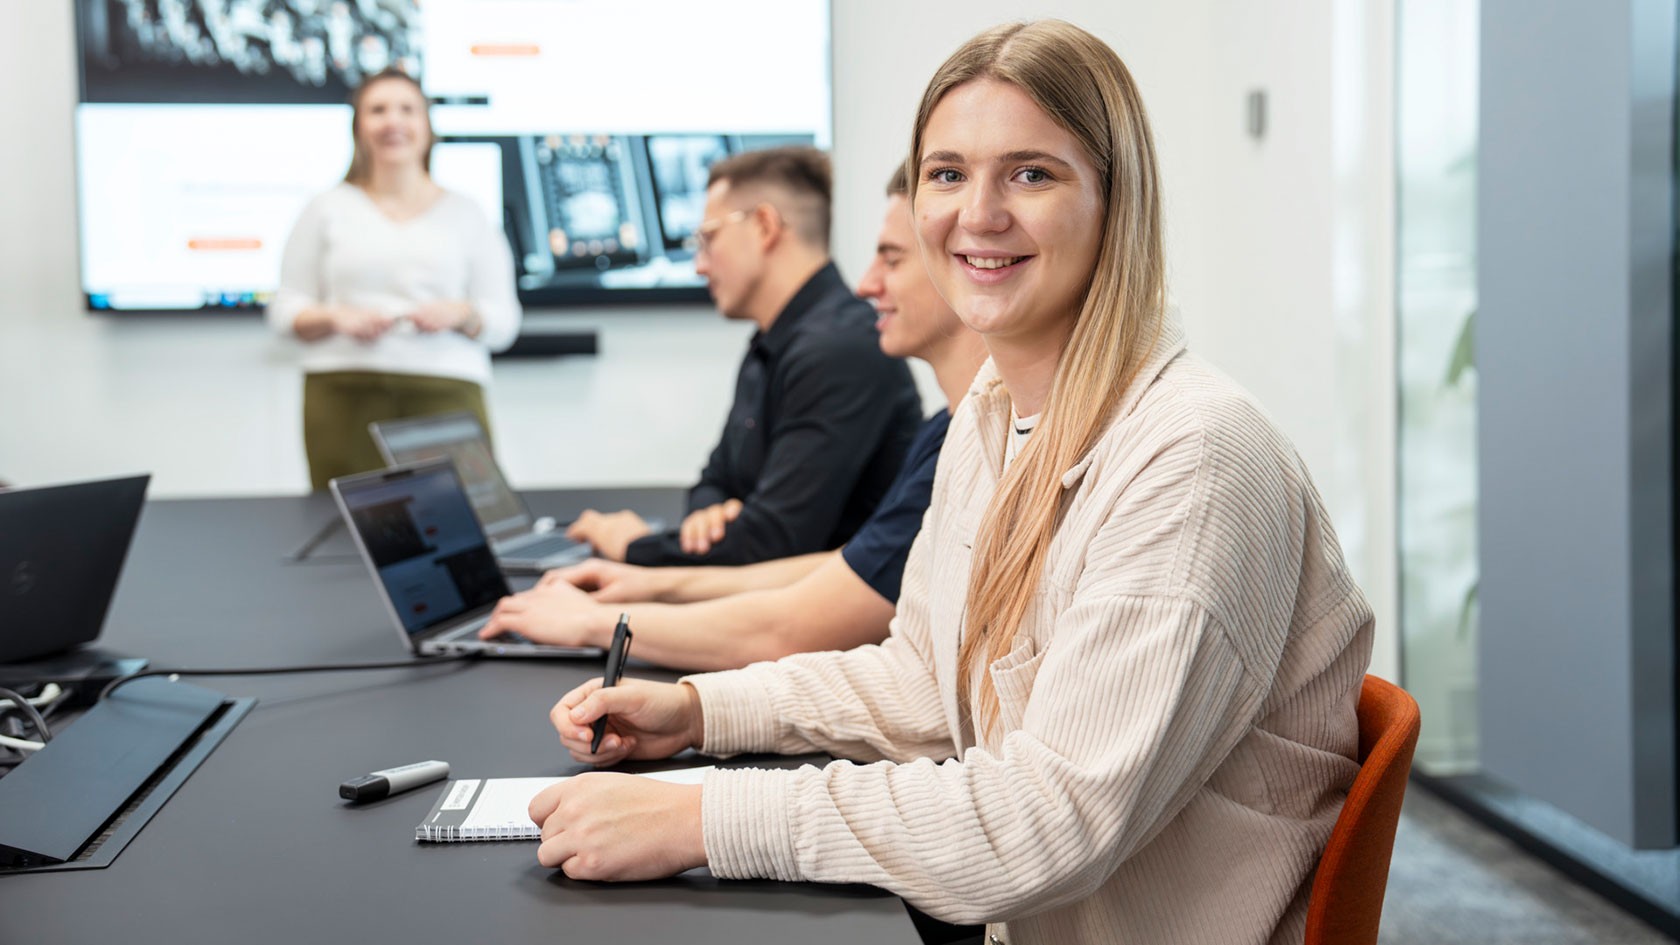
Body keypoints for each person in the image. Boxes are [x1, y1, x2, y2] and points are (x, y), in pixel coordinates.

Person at [528, 20, 1373, 945]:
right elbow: (924, 683)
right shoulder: (991, 419)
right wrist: (699, 711)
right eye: (947, 173)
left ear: (1115, 201)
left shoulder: (1193, 458)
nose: (978, 213)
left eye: (1031, 173)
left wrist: (703, 820)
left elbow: (1049, 823)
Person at [478, 166, 989, 672]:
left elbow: (792, 602)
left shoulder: (847, 355)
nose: (866, 284)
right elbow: (847, 560)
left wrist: (606, 614)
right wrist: (655, 582)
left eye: (892, 259)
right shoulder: (938, 431)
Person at [564, 147, 923, 567]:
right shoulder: (771, 344)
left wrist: (631, 545)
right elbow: (715, 480)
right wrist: (707, 516)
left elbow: (772, 542)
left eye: (709, 238)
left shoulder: (839, 350)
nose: (699, 265)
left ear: (765, 226)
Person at [267, 68, 521, 491]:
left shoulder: (467, 212)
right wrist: (334, 318)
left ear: (427, 126)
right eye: (378, 110)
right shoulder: (326, 208)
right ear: (358, 127)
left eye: (407, 109)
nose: (393, 122)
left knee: (467, 524)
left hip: (447, 393)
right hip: (343, 393)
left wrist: (462, 313)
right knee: (347, 533)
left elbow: (504, 322)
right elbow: (283, 309)